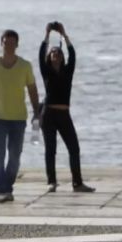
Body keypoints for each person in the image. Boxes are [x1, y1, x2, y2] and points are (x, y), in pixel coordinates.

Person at [0, 30, 40, 203]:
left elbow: (32, 89)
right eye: (6, 43)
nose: (9, 46)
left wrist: (37, 111)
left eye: (12, 43)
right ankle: (1, 189)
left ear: (17, 45)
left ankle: (7, 186)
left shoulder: (25, 66)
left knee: (14, 156)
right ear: (1, 44)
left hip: (18, 118)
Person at [38, 22, 95, 193]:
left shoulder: (67, 71)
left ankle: (77, 183)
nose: (55, 55)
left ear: (62, 57)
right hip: (48, 114)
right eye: (53, 53)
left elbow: (73, 54)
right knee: (51, 149)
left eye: (58, 53)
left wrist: (64, 34)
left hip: (64, 114)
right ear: (50, 57)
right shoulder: (46, 71)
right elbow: (41, 54)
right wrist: (47, 34)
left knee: (74, 148)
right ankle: (51, 182)